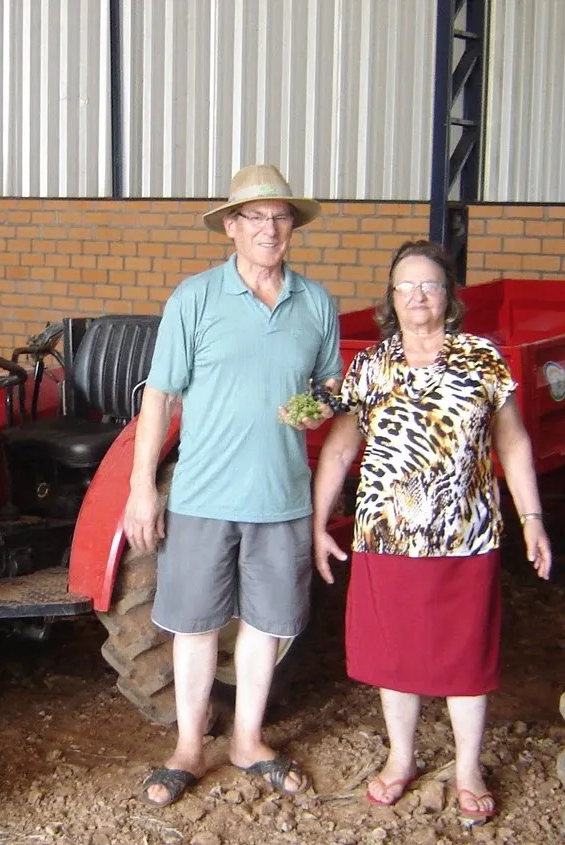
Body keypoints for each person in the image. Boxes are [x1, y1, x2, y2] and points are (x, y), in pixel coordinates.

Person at [122, 163, 341, 807]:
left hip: (280, 497)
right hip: (202, 495)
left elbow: (329, 389)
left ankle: (247, 738)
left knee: (265, 626)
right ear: (230, 228)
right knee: (193, 626)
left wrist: (310, 408)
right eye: (254, 217)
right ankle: (190, 747)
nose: (268, 229)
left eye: (279, 217)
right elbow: (158, 397)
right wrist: (142, 489)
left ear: (292, 227)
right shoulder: (195, 298)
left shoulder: (315, 302)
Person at [312, 239, 552, 825]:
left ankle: (468, 765)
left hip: (466, 534)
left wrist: (533, 518)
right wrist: (318, 523)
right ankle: (401, 759)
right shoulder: (370, 365)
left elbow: (512, 441)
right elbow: (342, 446)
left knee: (465, 653)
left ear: (449, 296)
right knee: (396, 653)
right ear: (390, 300)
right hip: (387, 535)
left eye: (429, 285)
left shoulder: (482, 358)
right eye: (405, 286)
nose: (417, 296)